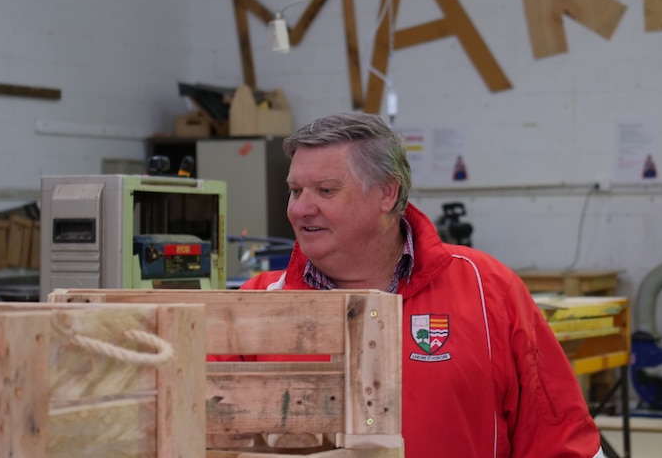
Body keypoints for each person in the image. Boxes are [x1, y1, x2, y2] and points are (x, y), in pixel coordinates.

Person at [238, 112, 605, 458]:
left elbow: (559, 439)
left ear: (386, 194)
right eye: (295, 191)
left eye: (325, 190)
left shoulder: (487, 289)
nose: (301, 208)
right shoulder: (253, 307)